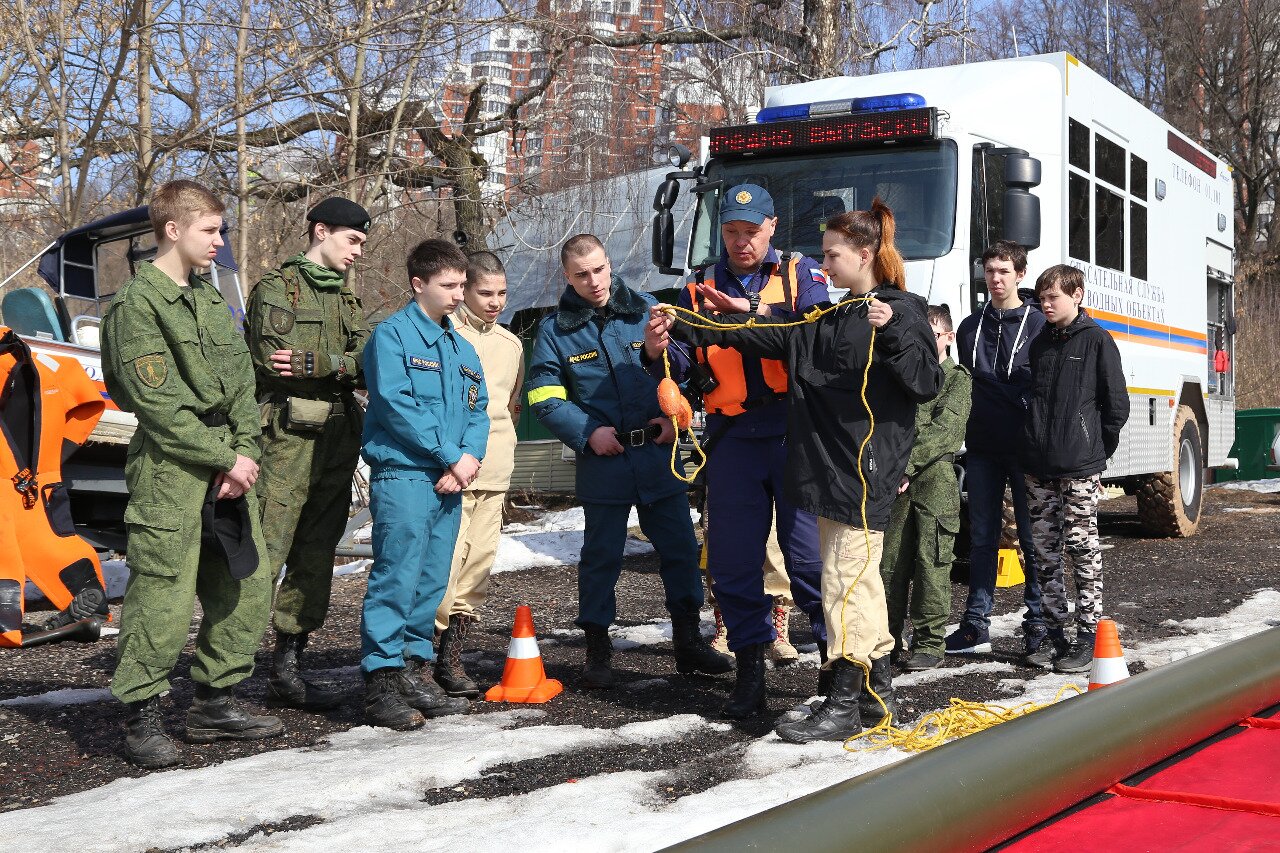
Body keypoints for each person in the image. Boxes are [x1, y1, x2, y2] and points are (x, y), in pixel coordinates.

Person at [660, 199, 942, 743]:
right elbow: (777, 334)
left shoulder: (899, 309)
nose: (824, 265)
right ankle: (873, 698)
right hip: (832, 471)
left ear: (864, 254)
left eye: (833, 255)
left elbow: (926, 382)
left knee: (844, 585)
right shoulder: (836, 314)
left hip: (861, 472)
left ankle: (843, 701)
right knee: (858, 587)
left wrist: (895, 334)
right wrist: (702, 324)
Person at [103, 180, 281, 769]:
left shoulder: (208, 298)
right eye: (210, 230)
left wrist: (244, 453)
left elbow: (240, 384)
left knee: (243, 584)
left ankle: (215, 701)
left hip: (231, 463)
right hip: (172, 469)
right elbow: (158, 406)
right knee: (164, 594)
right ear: (173, 230)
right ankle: (142, 713)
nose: (219, 241)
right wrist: (224, 457)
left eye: (221, 229)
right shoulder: (137, 304)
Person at [646, 183, 827, 720]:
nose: (740, 242)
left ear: (772, 227)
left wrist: (747, 313)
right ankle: (750, 666)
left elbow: (817, 340)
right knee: (733, 563)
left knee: (809, 560)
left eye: (750, 232)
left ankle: (838, 665)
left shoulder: (800, 275)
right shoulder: (699, 284)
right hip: (732, 436)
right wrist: (657, 351)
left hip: (794, 432)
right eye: (731, 232)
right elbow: (680, 359)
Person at [525, 234, 730, 689]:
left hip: (658, 455)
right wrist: (586, 432)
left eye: (599, 270)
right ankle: (598, 649)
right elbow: (543, 396)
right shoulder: (555, 331)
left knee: (679, 550)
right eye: (581, 274)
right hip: (605, 458)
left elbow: (688, 372)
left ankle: (688, 644)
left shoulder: (648, 310)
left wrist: (672, 417)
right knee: (601, 558)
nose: (593, 281)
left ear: (609, 264)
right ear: (567, 277)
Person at [246, 197, 372, 712]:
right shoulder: (277, 289)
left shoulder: (347, 300)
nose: (359, 252)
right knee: (266, 552)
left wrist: (319, 362)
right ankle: (226, 674)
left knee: (316, 553)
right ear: (322, 231)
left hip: (338, 441)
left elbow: (371, 362)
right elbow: (274, 364)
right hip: (286, 443)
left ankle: (288, 665)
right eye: (353, 240)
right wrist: (340, 365)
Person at [358, 239, 486, 729]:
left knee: (432, 579)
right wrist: (452, 457)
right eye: (448, 286)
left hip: (451, 479)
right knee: (398, 575)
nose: (459, 295)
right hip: (407, 475)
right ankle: (381, 682)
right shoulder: (392, 337)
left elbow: (478, 409)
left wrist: (469, 458)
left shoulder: (461, 346)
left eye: (461, 285)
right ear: (419, 284)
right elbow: (395, 405)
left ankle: (415, 670)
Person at [1021, 264, 1129, 672]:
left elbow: (1115, 406)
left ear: (1077, 295)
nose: (1046, 305)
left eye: (1054, 298)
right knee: (1045, 551)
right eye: (1042, 298)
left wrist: (1095, 451)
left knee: (1082, 546)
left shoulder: (1098, 340)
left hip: (1080, 466)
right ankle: (1053, 634)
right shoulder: (1040, 344)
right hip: (1038, 465)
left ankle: (1088, 634)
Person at [947, 241, 1047, 660]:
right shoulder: (970, 326)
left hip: (1024, 449)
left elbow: (1037, 385)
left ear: (1020, 275)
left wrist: (1002, 391)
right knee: (983, 538)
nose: (996, 278)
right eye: (989, 271)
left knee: (1032, 536)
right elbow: (968, 381)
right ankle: (975, 623)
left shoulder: (1039, 323)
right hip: (983, 447)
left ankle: (1038, 624)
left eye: (1004, 271)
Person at [432, 251, 525, 698]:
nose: (495, 302)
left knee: (478, 567)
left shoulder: (511, 344)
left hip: (496, 468)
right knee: (444, 566)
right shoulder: (442, 335)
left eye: (502, 293)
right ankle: (424, 653)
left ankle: (453, 656)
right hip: (451, 470)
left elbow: (509, 408)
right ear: (464, 290)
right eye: (484, 293)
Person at [879, 304, 971, 671]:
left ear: (948, 337)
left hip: (935, 482)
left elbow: (945, 432)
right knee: (890, 566)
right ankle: (886, 639)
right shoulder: (902, 374)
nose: (925, 342)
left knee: (932, 565)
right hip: (897, 484)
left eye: (932, 334)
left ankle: (930, 643)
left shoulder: (957, 378)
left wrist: (906, 466)